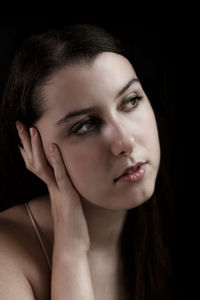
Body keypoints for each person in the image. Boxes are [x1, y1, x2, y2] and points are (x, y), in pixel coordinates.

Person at [0, 24, 174, 299]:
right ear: (32, 148)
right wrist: (71, 245)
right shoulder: (6, 255)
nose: (125, 142)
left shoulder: (166, 218)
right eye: (86, 125)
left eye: (131, 101)